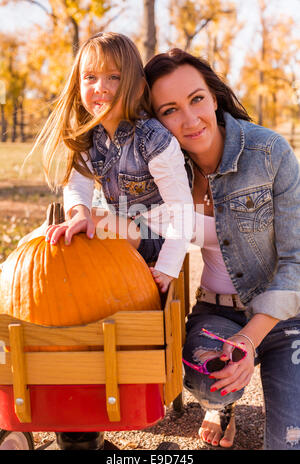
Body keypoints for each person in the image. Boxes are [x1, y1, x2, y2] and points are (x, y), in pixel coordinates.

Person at [143, 48, 300, 450]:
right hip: (217, 314)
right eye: (169, 110)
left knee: (289, 443)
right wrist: (86, 217)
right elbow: (133, 226)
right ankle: (222, 407)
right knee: (212, 382)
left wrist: (250, 340)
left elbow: (296, 259)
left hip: (286, 318)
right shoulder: (160, 172)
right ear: (155, 122)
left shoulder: (269, 153)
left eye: (197, 99)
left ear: (213, 96)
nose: (190, 119)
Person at [30, 32, 194, 294]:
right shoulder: (89, 134)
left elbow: (182, 210)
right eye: (90, 77)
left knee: (93, 221)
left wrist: (167, 267)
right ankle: (30, 273)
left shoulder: (153, 139)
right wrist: (79, 212)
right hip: (120, 224)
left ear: (138, 87)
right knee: (69, 223)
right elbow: (77, 183)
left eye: (113, 77)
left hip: (157, 236)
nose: (100, 87)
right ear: (78, 85)